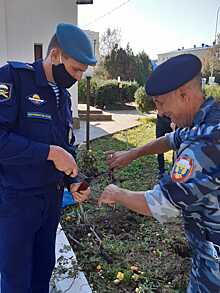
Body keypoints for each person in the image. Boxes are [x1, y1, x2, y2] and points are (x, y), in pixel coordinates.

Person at [99, 54, 220, 292]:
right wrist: (132, 153)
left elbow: (162, 203)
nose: (160, 113)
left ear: (184, 94)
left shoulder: (206, 142)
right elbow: (170, 140)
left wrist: (117, 193)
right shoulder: (204, 119)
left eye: (160, 103)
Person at [0, 23, 96, 293]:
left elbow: (67, 147)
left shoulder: (62, 98)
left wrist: (74, 180)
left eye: (83, 72)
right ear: (55, 55)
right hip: (16, 203)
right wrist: (49, 153)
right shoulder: (14, 79)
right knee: (16, 278)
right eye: (75, 69)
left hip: (50, 202)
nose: (78, 77)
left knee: (43, 272)